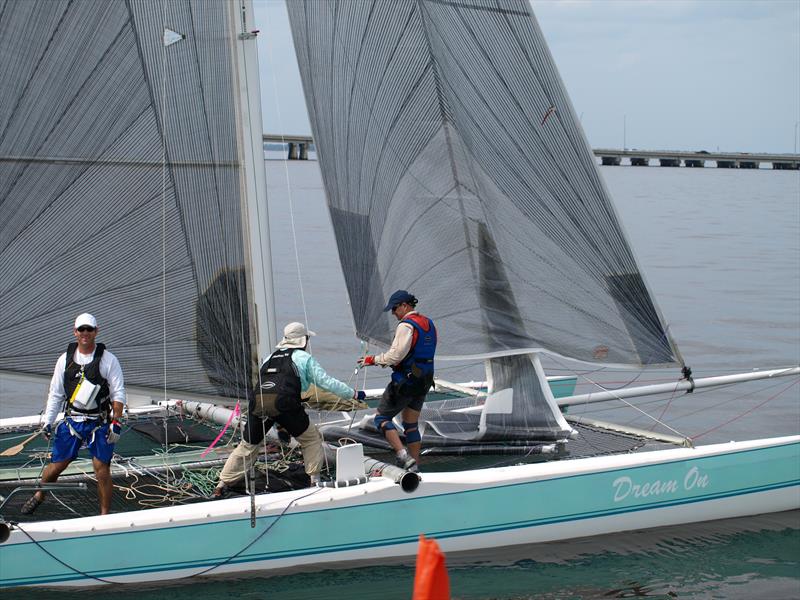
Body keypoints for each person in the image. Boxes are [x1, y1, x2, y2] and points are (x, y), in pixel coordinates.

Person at [214, 322, 365, 495]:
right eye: (307, 338)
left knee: (248, 445)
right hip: (284, 404)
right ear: (303, 340)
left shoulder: (269, 357)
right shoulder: (303, 357)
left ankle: (221, 484)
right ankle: (315, 482)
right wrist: (352, 394)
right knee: (311, 439)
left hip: (258, 403)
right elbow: (326, 382)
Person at [22, 313, 126, 515]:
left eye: (89, 329)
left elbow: (118, 392)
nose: (85, 333)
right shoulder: (64, 360)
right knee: (57, 466)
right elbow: (56, 394)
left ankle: (105, 516)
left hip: (99, 421)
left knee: (101, 468)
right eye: (81, 329)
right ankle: (39, 495)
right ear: (75, 332)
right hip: (73, 422)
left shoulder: (108, 360)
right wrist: (48, 422)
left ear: (96, 331)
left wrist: (117, 421)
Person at [358, 290, 436, 472]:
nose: (393, 313)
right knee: (410, 424)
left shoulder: (406, 326)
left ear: (404, 306)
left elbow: (395, 356)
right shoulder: (429, 323)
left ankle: (403, 455)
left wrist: (372, 360)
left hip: (405, 381)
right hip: (424, 380)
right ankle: (415, 466)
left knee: (381, 418)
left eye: (394, 309)